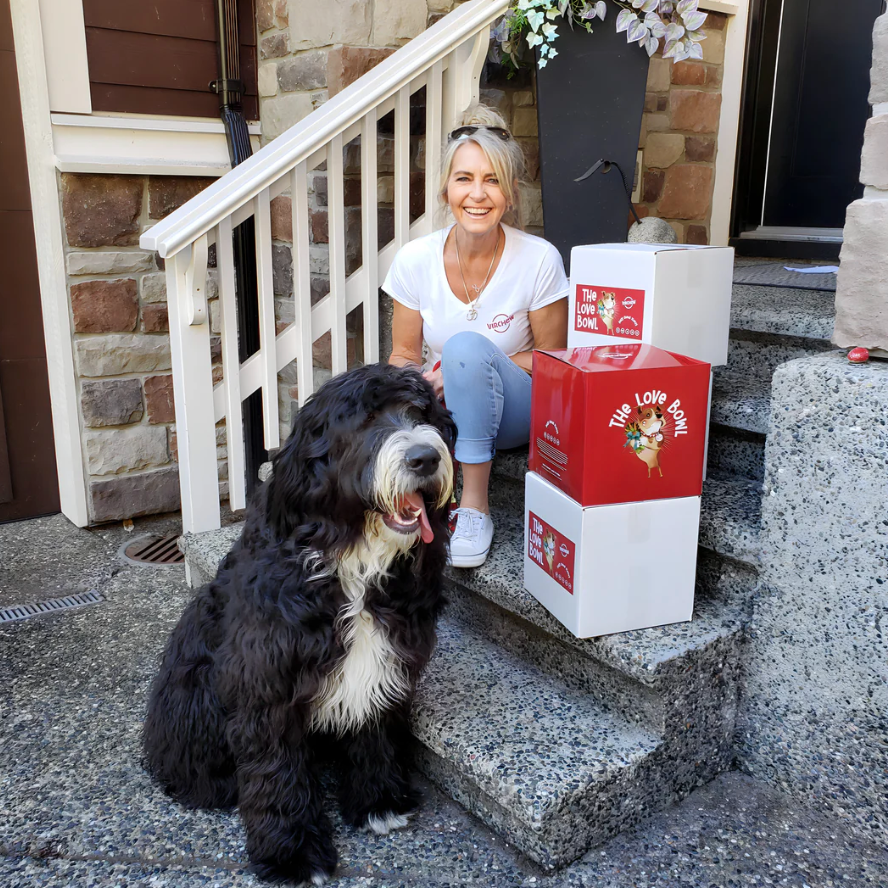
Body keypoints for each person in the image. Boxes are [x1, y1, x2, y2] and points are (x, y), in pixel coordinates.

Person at [383, 105, 568, 568]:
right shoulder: (414, 259)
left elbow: (555, 359)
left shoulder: (539, 259)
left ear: (510, 192)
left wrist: (466, 366)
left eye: (493, 180)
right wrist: (422, 381)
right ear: (446, 188)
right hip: (445, 407)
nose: (478, 194)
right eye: (464, 178)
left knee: (464, 348)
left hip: (518, 410)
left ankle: (474, 509)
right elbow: (404, 354)